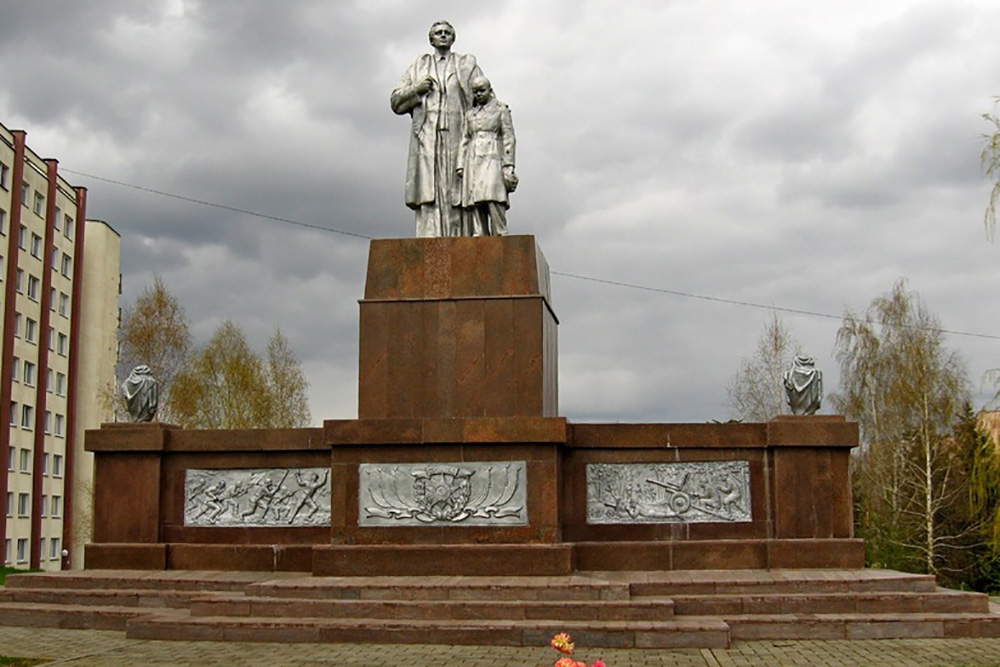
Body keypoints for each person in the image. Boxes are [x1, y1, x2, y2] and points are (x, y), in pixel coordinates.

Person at [391, 20, 484, 237]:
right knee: (430, 190)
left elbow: (485, 95)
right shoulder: (419, 66)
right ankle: (430, 237)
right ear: (431, 39)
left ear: (453, 38)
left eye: (447, 32)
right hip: (428, 140)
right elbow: (395, 101)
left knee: (459, 190)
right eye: (438, 33)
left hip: (459, 136)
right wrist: (417, 89)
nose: (443, 35)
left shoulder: (466, 65)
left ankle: (462, 239)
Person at [456, 76, 517, 236]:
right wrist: (460, 164)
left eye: (482, 91)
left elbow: (508, 137)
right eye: (475, 92)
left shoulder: (500, 109)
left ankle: (500, 232)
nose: (479, 95)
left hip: (492, 155)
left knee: (492, 197)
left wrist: (508, 165)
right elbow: (464, 138)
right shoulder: (470, 114)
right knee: (476, 200)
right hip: (472, 157)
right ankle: (479, 233)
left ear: (489, 90)